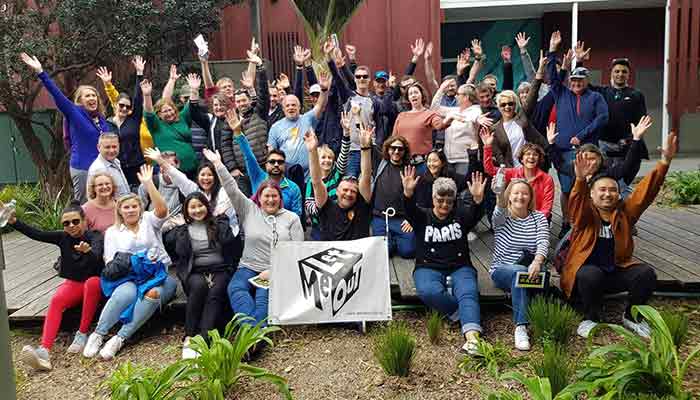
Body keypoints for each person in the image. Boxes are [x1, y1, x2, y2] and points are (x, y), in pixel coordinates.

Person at [564, 133, 677, 339]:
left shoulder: (625, 213)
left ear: (618, 194)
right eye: (602, 190)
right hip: (587, 275)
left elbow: (645, 193)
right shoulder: (585, 214)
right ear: (592, 193)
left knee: (645, 273)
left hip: (615, 271)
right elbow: (576, 202)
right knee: (591, 275)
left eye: (612, 190)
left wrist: (664, 162)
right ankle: (591, 317)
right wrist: (580, 179)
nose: (607, 194)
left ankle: (632, 317)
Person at [83, 165, 178, 360]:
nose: (131, 210)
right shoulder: (112, 232)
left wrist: (148, 184)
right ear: (120, 211)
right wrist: (134, 263)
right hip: (127, 276)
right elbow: (110, 262)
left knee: (153, 293)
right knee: (125, 292)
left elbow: (161, 210)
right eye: (126, 207)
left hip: (156, 275)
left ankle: (120, 337)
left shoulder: (148, 221)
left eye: (134, 206)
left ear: (140, 208)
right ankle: (99, 333)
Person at [204, 148, 304, 332]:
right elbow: (231, 188)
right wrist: (218, 165)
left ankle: (251, 339)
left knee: (263, 296)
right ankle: (254, 334)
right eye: (266, 195)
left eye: (275, 196)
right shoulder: (249, 209)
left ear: (280, 199)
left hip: (277, 268)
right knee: (235, 288)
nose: (271, 199)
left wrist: (274, 271)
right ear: (259, 197)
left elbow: (296, 252)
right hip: (248, 266)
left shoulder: (291, 218)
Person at [8, 202, 104, 371]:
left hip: (94, 283)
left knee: (92, 283)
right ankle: (44, 351)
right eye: (66, 223)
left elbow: (96, 257)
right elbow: (37, 234)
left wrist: (87, 251)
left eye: (75, 221)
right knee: (57, 300)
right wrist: (15, 222)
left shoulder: (94, 236)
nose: (71, 226)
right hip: (74, 283)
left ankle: (82, 334)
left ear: (84, 220)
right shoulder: (63, 237)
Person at [401, 166, 487, 354]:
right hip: (428, 266)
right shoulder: (422, 216)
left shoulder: (460, 216)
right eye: (440, 200)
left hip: (459, 266)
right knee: (428, 291)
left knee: (468, 291)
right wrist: (408, 194)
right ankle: (460, 313)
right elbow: (408, 209)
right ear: (433, 199)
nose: (444, 205)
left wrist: (478, 200)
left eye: (449, 201)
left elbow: (476, 213)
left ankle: (473, 339)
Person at [21, 53, 111, 203]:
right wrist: (41, 72)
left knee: (105, 204)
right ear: (80, 100)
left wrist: (108, 85)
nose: (92, 98)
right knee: (85, 206)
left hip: (103, 169)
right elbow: (57, 94)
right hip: (83, 169)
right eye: (87, 96)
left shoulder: (101, 119)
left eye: (94, 95)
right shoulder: (75, 113)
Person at [165, 192, 242, 359]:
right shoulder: (184, 229)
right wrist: (179, 229)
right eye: (192, 207)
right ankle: (190, 335)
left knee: (215, 292)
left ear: (206, 207)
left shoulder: (216, 223)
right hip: (195, 271)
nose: (197, 210)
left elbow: (228, 241)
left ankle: (204, 338)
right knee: (199, 288)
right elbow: (179, 252)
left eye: (200, 206)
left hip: (220, 269)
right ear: (186, 211)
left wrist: (222, 218)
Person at [547, 31, 609, 235]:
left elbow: (602, 118)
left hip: (588, 152)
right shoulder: (561, 93)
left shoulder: (596, 97)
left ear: (586, 80)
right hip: (564, 151)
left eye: (580, 81)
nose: (575, 84)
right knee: (566, 189)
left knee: (589, 188)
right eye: (572, 81)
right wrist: (553, 51)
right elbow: (554, 78)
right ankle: (567, 221)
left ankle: (589, 220)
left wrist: (581, 135)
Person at [489, 179, 549, 351]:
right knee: (519, 273)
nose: (520, 197)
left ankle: (540, 318)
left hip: (531, 267)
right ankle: (521, 327)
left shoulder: (538, 218)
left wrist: (538, 261)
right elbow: (499, 208)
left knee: (532, 273)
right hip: (502, 269)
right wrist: (499, 192)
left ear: (530, 197)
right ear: (509, 196)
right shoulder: (502, 217)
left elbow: (543, 242)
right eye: (516, 193)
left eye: (524, 193)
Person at [588, 56, 649, 196]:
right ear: (611, 73)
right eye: (617, 71)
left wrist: (628, 140)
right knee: (606, 181)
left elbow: (641, 121)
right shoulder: (602, 92)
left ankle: (625, 213)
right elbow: (582, 83)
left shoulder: (636, 95)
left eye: (624, 71)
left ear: (628, 74)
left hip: (626, 148)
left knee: (622, 183)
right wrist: (579, 60)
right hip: (604, 147)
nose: (620, 74)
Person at [144, 147, 238, 235]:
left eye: (209, 175)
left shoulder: (223, 193)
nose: (206, 178)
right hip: (202, 236)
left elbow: (229, 184)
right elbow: (179, 178)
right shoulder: (195, 190)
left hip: (225, 234)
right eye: (203, 175)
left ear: (216, 177)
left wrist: (218, 164)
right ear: (197, 177)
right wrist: (160, 161)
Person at [229, 109, 303, 217]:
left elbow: (297, 215)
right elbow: (248, 156)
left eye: (280, 162)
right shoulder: (257, 177)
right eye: (272, 162)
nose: (276, 164)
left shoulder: (293, 188)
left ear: (285, 165)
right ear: (266, 164)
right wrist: (237, 132)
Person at [306, 123, 372, 241]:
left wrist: (365, 148)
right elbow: (316, 181)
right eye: (345, 190)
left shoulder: (361, 206)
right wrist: (312, 151)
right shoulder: (327, 206)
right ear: (336, 191)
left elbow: (366, 176)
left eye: (353, 191)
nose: (348, 193)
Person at [267, 70, 331, 179]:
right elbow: (272, 153)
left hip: (310, 176)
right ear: (283, 109)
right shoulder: (275, 127)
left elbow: (320, 105)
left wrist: (324, 89)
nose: (291, 107)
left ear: (299, 107)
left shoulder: (308, 118)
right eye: (287, 106)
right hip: (287, 177)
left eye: (293, 105)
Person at [481, 127, 554, 219]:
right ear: (521, 159)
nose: (531, 157)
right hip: (515, 218)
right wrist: (487, 146)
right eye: (528, 154)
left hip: (538, 219)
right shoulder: (513, 173)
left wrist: (533, 221)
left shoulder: (547, 179)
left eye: (535, 155)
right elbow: (489, 169)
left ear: (539, 159)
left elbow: (547, 207)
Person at [97, 57, 147, 188]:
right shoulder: (107, 124)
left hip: (137, 166)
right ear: (115, 105)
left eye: (127, 107)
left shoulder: (133, 120)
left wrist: (139, 74)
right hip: (116, 166)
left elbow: (138, 98)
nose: (124, 108)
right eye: (121, 105)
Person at [304, 111, 351, 240]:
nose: (327, 160)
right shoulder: (310, 182)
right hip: (319, 225)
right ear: (317, 160)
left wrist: (346, 133)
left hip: (338, 223)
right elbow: (309, 205)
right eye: (323, 157)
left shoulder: (337, 173)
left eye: (330, 157)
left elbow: (344, 153)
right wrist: (323, 206)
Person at [232, 52, 272, 197]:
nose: (241, 104)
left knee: (263, 200)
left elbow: (264, 94)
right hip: (242, 173)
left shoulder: (259, 113)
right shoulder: (231, 120)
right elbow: (225, 145)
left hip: (261, 168)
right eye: (238, 101)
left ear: (250, 100)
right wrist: (233, 167)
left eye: (244, 100)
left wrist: (260, 67)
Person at [143, 76, 198, 177]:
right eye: (165, 111)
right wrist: (147, 95)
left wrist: (194, 89)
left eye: (170, 110)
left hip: (192, 169)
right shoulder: (156, 125)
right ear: (159, 114)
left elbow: (191, 104)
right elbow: (149, 113)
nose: (169, 113)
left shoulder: (182, 118)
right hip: (170, 172)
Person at [392, 82, 453, 173]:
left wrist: (450, 118)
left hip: (422, 164)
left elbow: (440, 125)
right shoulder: (401, 115)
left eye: (416, 92)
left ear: (422, 95)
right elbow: (394, 138)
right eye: (410, 94)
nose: (413, 95)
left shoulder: (429, 114)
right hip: (402, 162)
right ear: (408, 98)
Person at [370, 135, 415, 258]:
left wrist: (411, 220)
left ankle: (392, 238)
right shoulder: (380, 163)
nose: (396, 151)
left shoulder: (409, 169)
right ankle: (389, 240)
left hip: (401, 219)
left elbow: (417, 199)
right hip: (380, 217)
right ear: (387, 149)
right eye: (393, 148)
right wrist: (358, 119)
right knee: (384, 252)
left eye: (400, 149)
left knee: (408, 251)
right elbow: (366, 144)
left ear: (404, 151)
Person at [433, 83, 492, 176]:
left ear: (466, 97)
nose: (456, 96)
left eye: (458, 94)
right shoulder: (453, 111)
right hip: (448, 159)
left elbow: (474, 116)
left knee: (462, 187)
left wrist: (478, 119)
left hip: (464, 160)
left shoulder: (475, 110)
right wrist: (441, 89)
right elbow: (434, 109)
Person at [485, 90, 548, 169]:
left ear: (515, 105)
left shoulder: (522, 118)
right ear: (498, 107)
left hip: (532, 168)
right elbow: (499, 155)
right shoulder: (495, 129)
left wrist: (538, 79)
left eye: (510, 104)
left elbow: (531, 98)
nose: (507, 107)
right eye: (503, 105)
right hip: (512, 172)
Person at [87, 132, 131, 198]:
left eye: (114, 146)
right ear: (98, 147)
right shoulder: (99, 169)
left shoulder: (116, 161)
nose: (111, 150)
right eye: (107, 147)